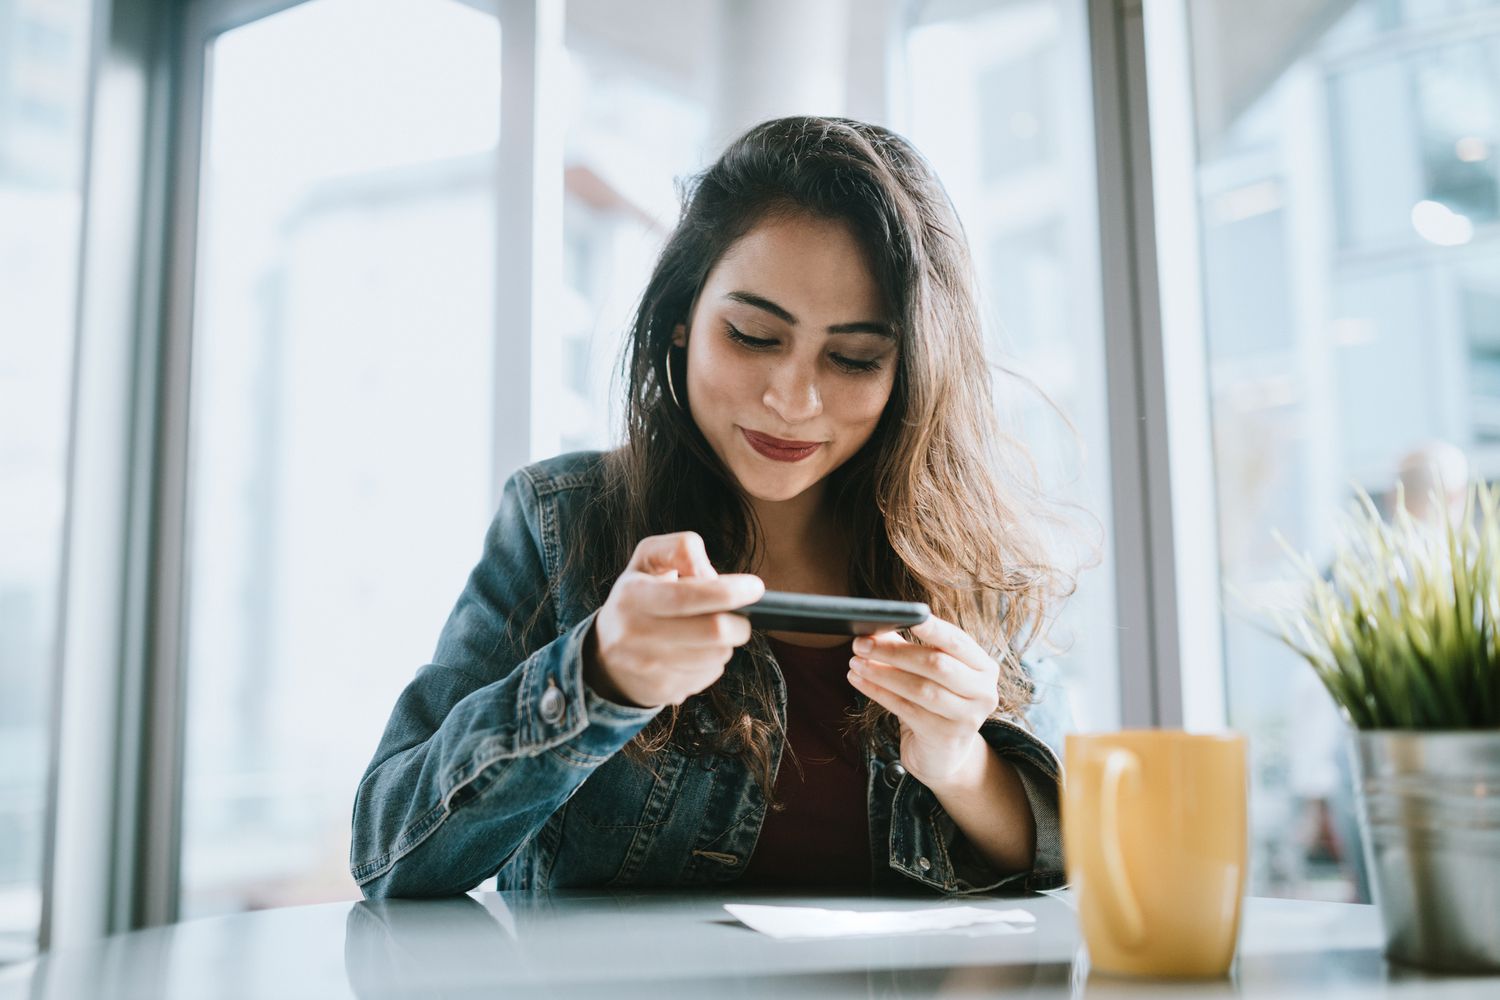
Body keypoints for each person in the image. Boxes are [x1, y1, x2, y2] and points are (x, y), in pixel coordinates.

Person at [349, 116, 1076, 898]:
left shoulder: (968, 560)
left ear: (912, 374)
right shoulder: (561, 522)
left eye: (854, 358)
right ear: (680, 322)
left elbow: (1062, 853)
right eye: (753, 335)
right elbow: (390, 855)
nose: (792, 400)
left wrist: (961, 761)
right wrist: (598, 676)